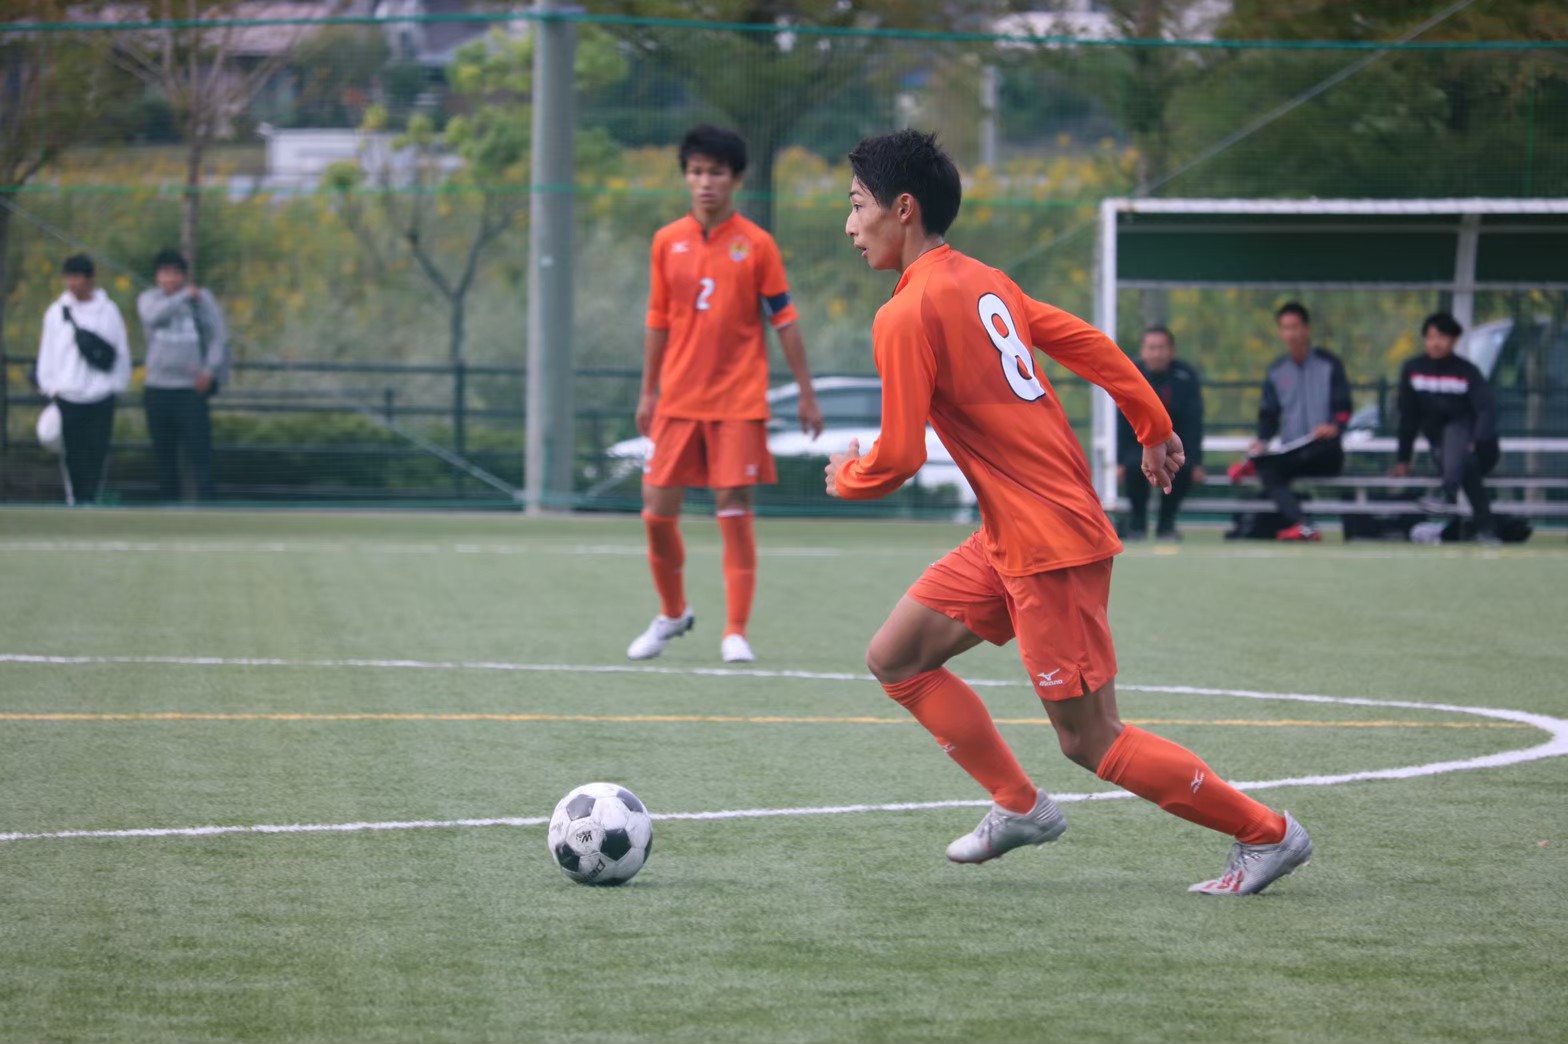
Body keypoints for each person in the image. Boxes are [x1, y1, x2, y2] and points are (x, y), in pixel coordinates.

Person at [825, 129, 1311, 896]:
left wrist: (846, 477)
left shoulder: (906, 313)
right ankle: (1019, 805)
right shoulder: (985, 281)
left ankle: (1267, 834)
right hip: (1012, 533)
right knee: (897, 658)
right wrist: (1153, 426)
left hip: (1048, 544)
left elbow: (901, 457)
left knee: (1091, 739)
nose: (850, 225)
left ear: (904, 209)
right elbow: (1087, 343)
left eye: (857, 206)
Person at [627, 125, 824, 664]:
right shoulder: (667, 241)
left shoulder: (757, 244)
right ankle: (672, 613)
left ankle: (735, 631)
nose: (705, 182)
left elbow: (784, 320)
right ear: (685, 178)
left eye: (715, 172)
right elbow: (657, 320)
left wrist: (807, 394)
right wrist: (648, 392)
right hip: (677, 400)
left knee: (734, 508)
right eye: (695, 172)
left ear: (736, 178)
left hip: (738, 400)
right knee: (656, 512)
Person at [1240, 302, 1353, 542]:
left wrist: (1334, 426)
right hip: (1293, 452)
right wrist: (1261, 442)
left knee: (1296, 458)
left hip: (1326, 451)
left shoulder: (1329, 364)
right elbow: (1268, 415)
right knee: (1266, 468)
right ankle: (1304, 525)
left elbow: (1344, 409)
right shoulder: (1276, 371)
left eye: (1295, 327)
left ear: (1306, 329)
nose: (1291, 333)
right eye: (1285, 328)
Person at [1392, 312, 1499, 544]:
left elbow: (1485, 410)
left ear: (1454, 339)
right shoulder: (1413, 369)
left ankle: (1448, 493)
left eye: (1442, 337)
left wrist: (1477, 441)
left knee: (1458, 430)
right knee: (1464, 461)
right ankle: (1486, 528)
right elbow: (1408, 418)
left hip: (1478, 448)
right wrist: (1403, 460)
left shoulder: (1467, 372)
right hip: (1445, 452)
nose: (1435, 343)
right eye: (1431, 337)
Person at [33, 254, 132, 505]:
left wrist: (117, 385)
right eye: (69, 277)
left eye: (77, 277)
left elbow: (120, 350)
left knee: (97, 452)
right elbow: (48, 352)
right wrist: (50, 386)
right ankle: (75, 500)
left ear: (90, 279)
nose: (73, 283)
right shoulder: (56, 312)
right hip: (68, 395)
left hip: (101, 395)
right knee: (73, 454)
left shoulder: (108, 311)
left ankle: (92, 500)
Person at [138, 248, 229, 500]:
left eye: (176, 273)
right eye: (165, 273)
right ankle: (168, 508)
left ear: (184, 276)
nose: (170, 278)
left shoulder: (202, 300)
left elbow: (218, 336)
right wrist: (181, 297)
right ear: (157, 276)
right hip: (158, 389)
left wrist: (209, 370)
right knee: (164, 456)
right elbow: (154, 317)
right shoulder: (148, 299)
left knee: (201, 454)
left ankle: (208, 508)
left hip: (191, 390)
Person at [1116, 325, 1205, 541]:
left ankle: (1166, 525)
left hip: (1175, 445)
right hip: (1138, 444)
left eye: (1161, 347)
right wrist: (1119, 461)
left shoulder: (1186, 376)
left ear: (1172, 351)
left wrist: (1196, 462)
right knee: (1133, 467)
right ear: (1143, 350)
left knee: (1181, 466)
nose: (1156, 353)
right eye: (1151, 347)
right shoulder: (1131, 374)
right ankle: (1138, 525)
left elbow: (1194, 422)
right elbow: (1120, 421)